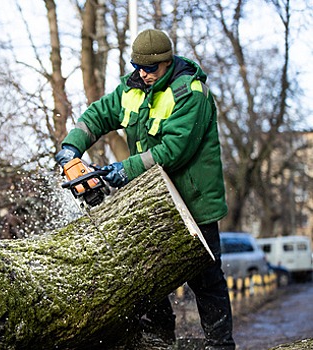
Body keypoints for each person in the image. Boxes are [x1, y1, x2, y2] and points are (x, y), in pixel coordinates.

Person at [55, 28, 235, 350]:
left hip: (194, 203)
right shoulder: (132, 89)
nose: (143, 73)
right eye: (138, 66)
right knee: (147, 276)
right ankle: (158, 342)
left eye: (150, 68)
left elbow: (174, 150)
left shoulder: (190, 93)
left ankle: (220, 345)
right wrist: (71, 149)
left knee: (206, 281)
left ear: (166, 63)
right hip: (154, 202)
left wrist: (121, 170)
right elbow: (97, 116)